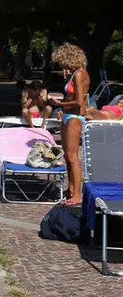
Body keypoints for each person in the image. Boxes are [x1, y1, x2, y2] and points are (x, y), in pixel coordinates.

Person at [49, 43, 90, 206]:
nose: (60, 64)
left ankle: (77, 194)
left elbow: (79, 102)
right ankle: (71, 188)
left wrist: (59, 103)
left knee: (73, 157)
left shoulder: (80, 74)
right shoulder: (74, 74)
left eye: (61, 61)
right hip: (68, 115)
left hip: (74, 116)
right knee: (67, 154)